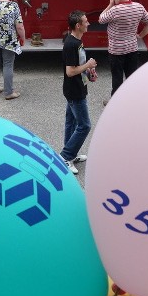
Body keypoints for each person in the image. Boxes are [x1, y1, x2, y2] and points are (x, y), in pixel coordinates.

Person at [98, 0, 148, 98]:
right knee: (131, 76)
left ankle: (115, 101)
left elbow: (101, 19)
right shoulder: (139, 7)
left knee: (117, 78)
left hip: (116, 51)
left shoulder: (115, 10)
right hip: (132, 48)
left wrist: (110, 5)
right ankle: (131, 99)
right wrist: (141, 35)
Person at [60, 10, 98, 175]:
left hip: (77, 87)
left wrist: (89, 72)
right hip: (74, 91)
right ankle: (66, 156)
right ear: (78, 25)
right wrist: (88, 65)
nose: (88, 23)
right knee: (84, 125)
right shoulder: (71, 44)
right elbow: (70, 71)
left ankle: (70, 154)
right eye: (86, 21)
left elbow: (79, 65)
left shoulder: (77, 41)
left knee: (72, 122)